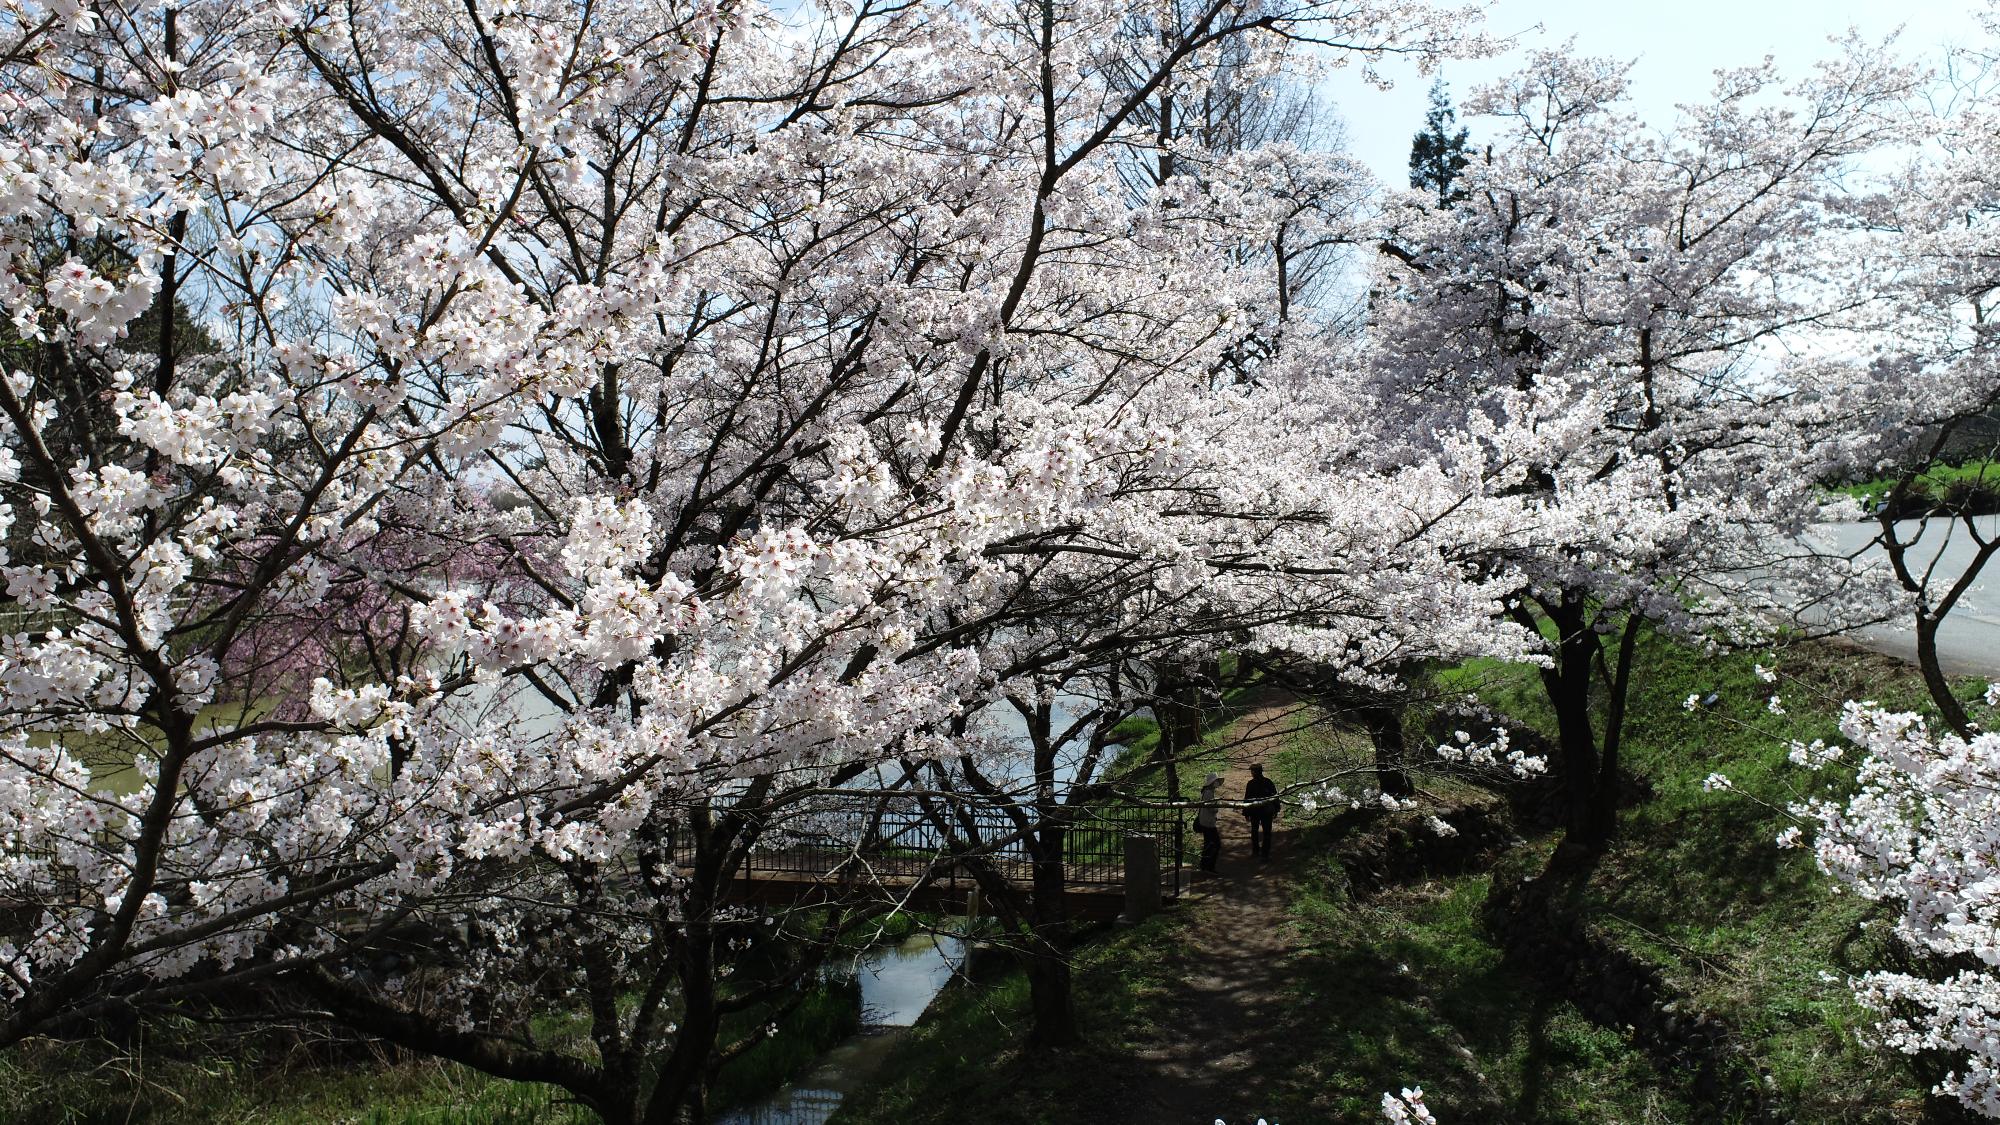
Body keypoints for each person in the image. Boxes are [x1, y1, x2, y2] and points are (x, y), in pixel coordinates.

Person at [1244, 763, 1279, 859]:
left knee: (1255, 831)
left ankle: (1256, 851)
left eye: (1252, 771)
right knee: (1267, 833)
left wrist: (1246, 813)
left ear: (1255, 772)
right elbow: (1275, 796)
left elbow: (1247, 799)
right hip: (1266, 811)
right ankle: (1265, 854)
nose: (1251, 773)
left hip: (1255, 811)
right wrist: (1276, 809)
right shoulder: (1268, 782)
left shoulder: (1251, 784)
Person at [1195, 773, 1223, 873]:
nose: (1217, 783)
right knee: (1216, 844)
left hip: (1206, 821)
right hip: (1208, 823)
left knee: (1209, 843)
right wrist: (1217, 807)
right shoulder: (1208, 793)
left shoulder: (1207, 791)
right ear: (1212, 782)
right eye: (1216, 781)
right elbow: (1211, 808)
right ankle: (1209, 866)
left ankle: (1204, 865)